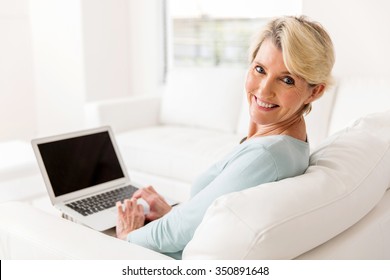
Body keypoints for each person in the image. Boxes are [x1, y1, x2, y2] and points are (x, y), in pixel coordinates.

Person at [116, 15, 335, 259]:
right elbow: (215, 220)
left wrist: (127, 238)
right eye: (260, 69)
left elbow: (178, 232)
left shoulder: (266, 156)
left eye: (286, 80)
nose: (263, 90)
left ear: (315, 91)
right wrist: (171, 214)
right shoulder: (290, 144)